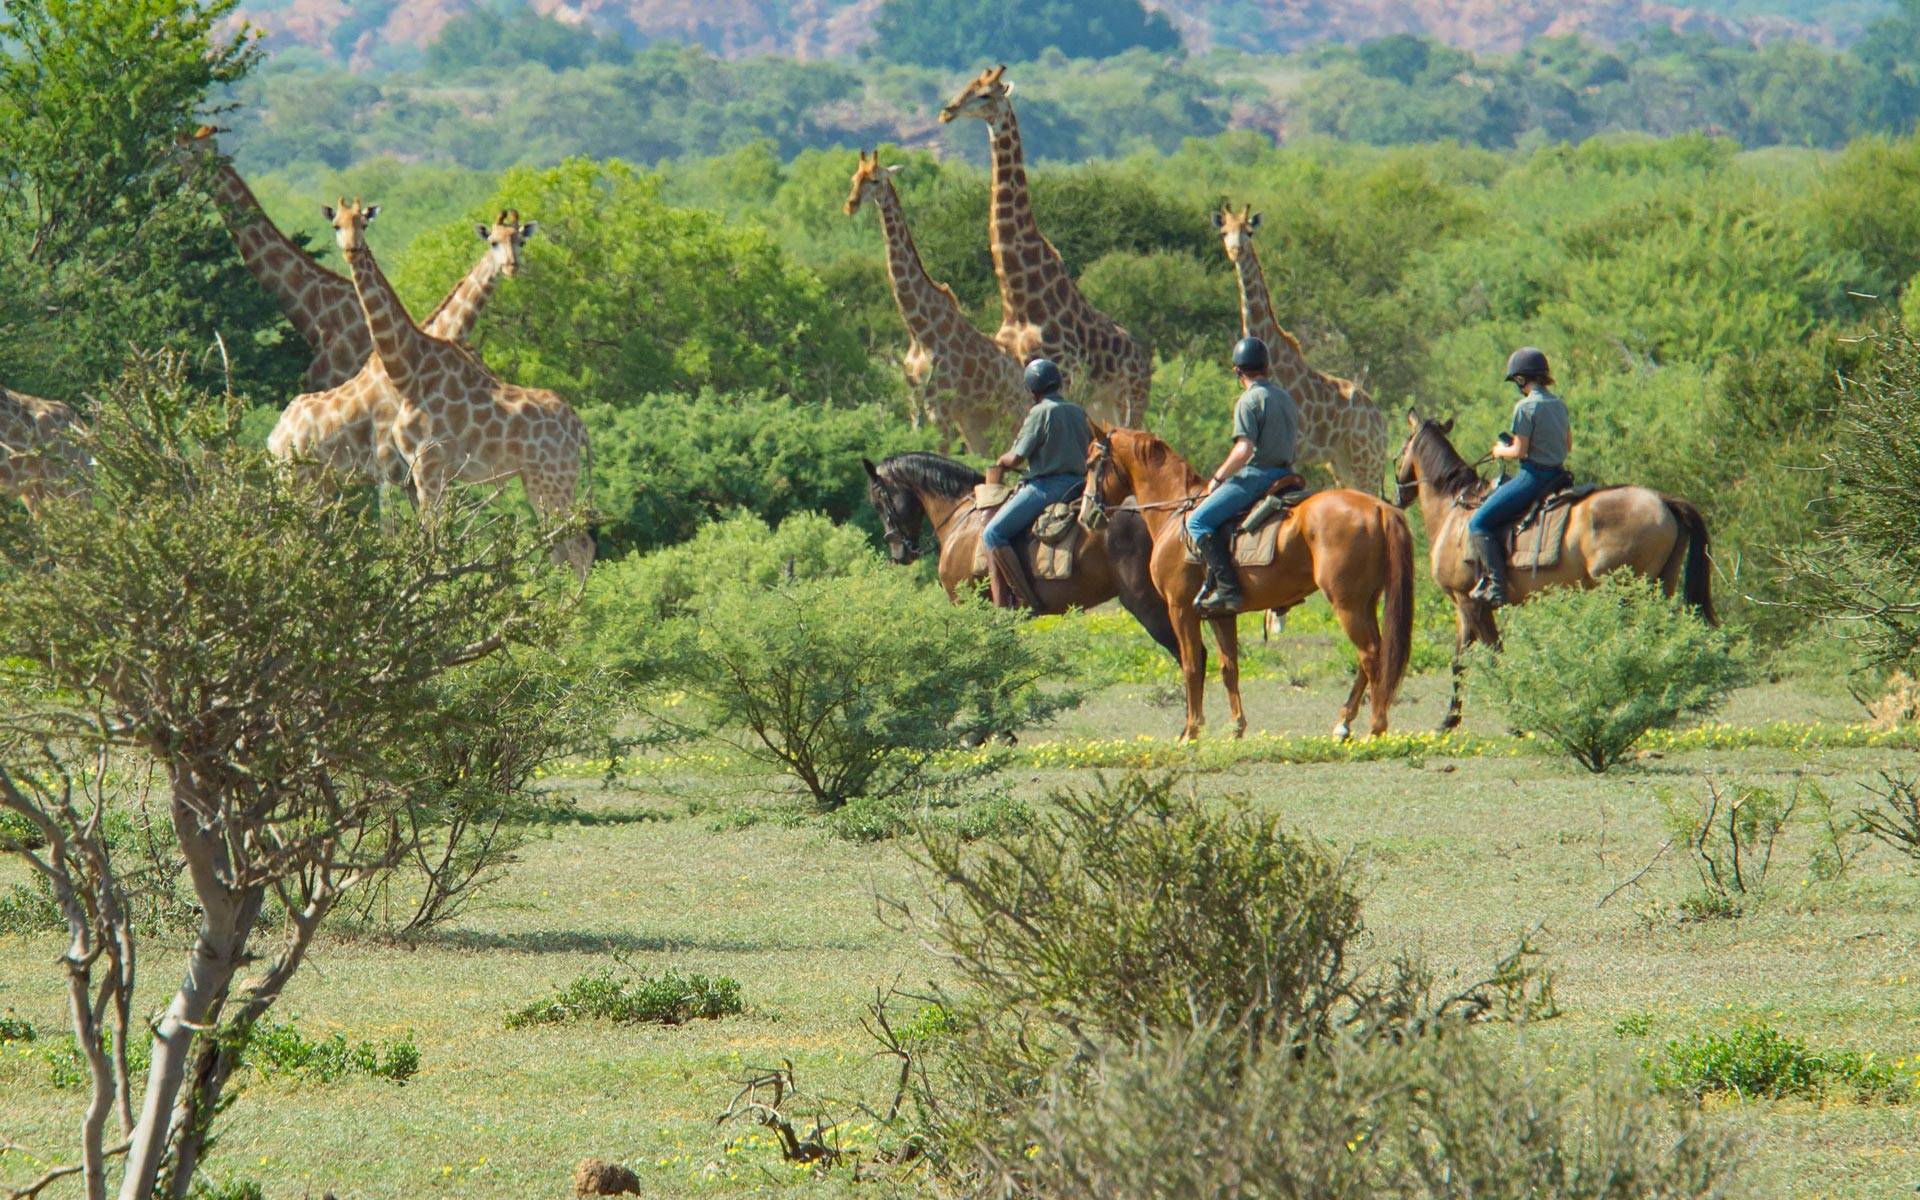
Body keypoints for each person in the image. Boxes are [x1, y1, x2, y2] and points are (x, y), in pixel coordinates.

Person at [1186, 336, 1300, 612]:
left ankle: (1228, 590)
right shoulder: (1285, 398)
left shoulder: (1249, 400)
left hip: (1258, 476)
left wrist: (1217, 478)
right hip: (1287, 475)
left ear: (1237, 371)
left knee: (1198, 521)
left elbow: (1244, 449)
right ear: (1267, 367)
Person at [980, 357, 1094, 611]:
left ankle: (1022, 599)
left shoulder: (1040, 412)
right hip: (1079, 485)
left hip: (1047, 488)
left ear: (1032, 390)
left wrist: (1002, 459)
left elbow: (1017, 456)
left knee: (992, 533)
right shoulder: (1078, 411)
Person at [1466, 346, 1572, 607]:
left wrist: (1500, 450)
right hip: (1559, 475)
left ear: (1521, 379)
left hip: (1533, 477)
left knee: (1477, 524)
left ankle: (1497, 588)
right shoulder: (1559, 404)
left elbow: (1520, 450)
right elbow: (1567, 445)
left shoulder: (1525, 407)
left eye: (1516, 380)